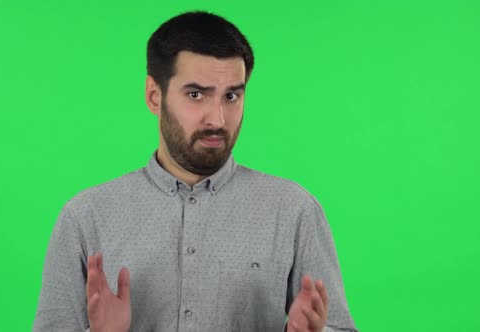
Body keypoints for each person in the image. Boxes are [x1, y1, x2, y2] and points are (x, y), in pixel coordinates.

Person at [33, 10, 358, 332]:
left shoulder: (293, 210)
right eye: (196, 94)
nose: (217, 119)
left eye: (232, 95)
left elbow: (338, 327)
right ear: (153, 95)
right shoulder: (85, 217)